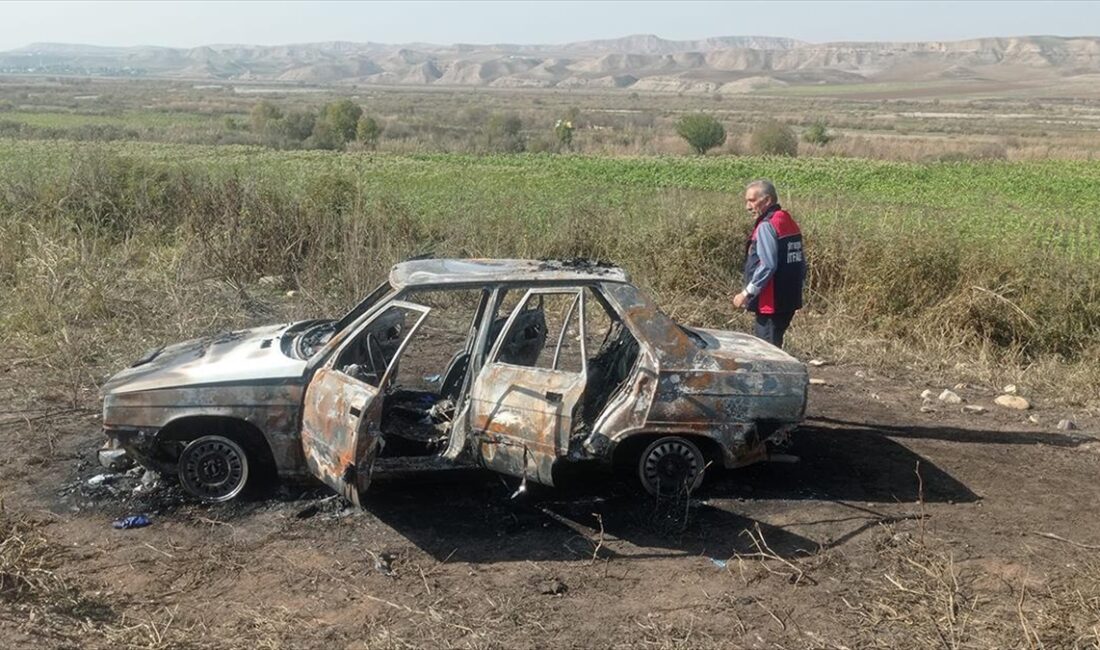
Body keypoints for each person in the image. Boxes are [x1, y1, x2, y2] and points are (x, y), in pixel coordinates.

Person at [732, 179, 806, 349]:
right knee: (775, 346)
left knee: (767, 353)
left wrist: (746, 293)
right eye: (746, 201)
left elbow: (767, 265)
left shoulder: (767, 226)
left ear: (767, 200)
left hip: (771, 303)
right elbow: (801, 262)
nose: (748, 207)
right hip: (789, 299)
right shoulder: (787, 220)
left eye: (752, 200)